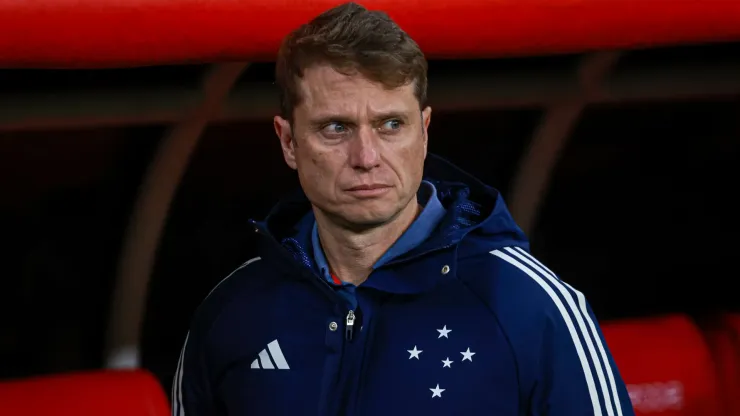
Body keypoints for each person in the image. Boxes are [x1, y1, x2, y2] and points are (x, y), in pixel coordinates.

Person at [172, 2, 634, 415]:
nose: (367, 156)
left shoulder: (527, 305)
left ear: (425, 130)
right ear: (289, 141)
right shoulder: (231, 313)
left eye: (391, 124)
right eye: (336, 128)